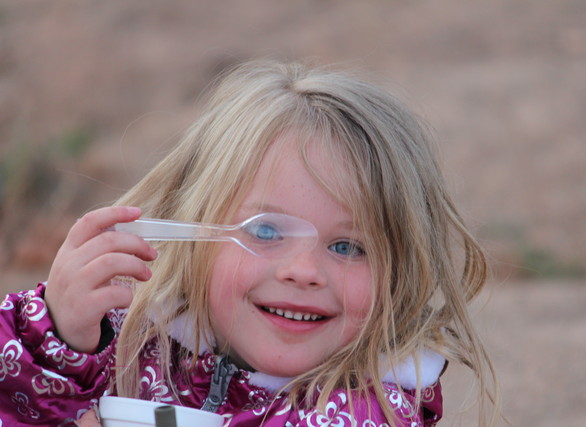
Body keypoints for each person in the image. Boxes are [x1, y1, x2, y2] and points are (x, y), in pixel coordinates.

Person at [0, 59, 499, 426]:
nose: (303, 271)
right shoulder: (129, 340)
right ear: (196, 230)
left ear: (401, 273)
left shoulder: (372, 410)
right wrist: (57, 336)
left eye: (349, 247)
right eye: (265, 230)